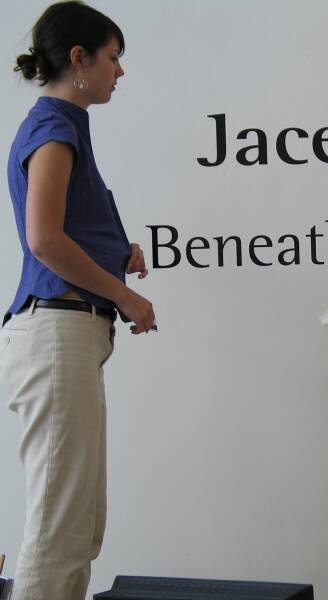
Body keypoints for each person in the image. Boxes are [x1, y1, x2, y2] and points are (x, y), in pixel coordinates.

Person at [0, 3, 156, 599]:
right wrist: (126, 297)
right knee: (61, 525)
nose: (120, 70)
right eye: (114, 57)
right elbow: (43, 240)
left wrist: (117, 253)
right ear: (78, 58)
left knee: (78, 520)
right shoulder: (55, 129)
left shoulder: (60, 126)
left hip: (65, 334)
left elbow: (59, 231)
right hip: (56, 333)